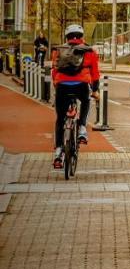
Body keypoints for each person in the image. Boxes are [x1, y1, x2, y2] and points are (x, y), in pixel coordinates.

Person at [51, 24, 100, 170]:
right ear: (81, 37)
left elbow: (54, 71)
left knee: (60, 119)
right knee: (86, 100)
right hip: (81, 85)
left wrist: (57, 87)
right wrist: (95, 91)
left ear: (66, 37)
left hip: (62, 86)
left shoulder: (58, 51)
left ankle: (59, 152)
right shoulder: (89, 51)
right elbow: (95, 73)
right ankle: (82, 129)